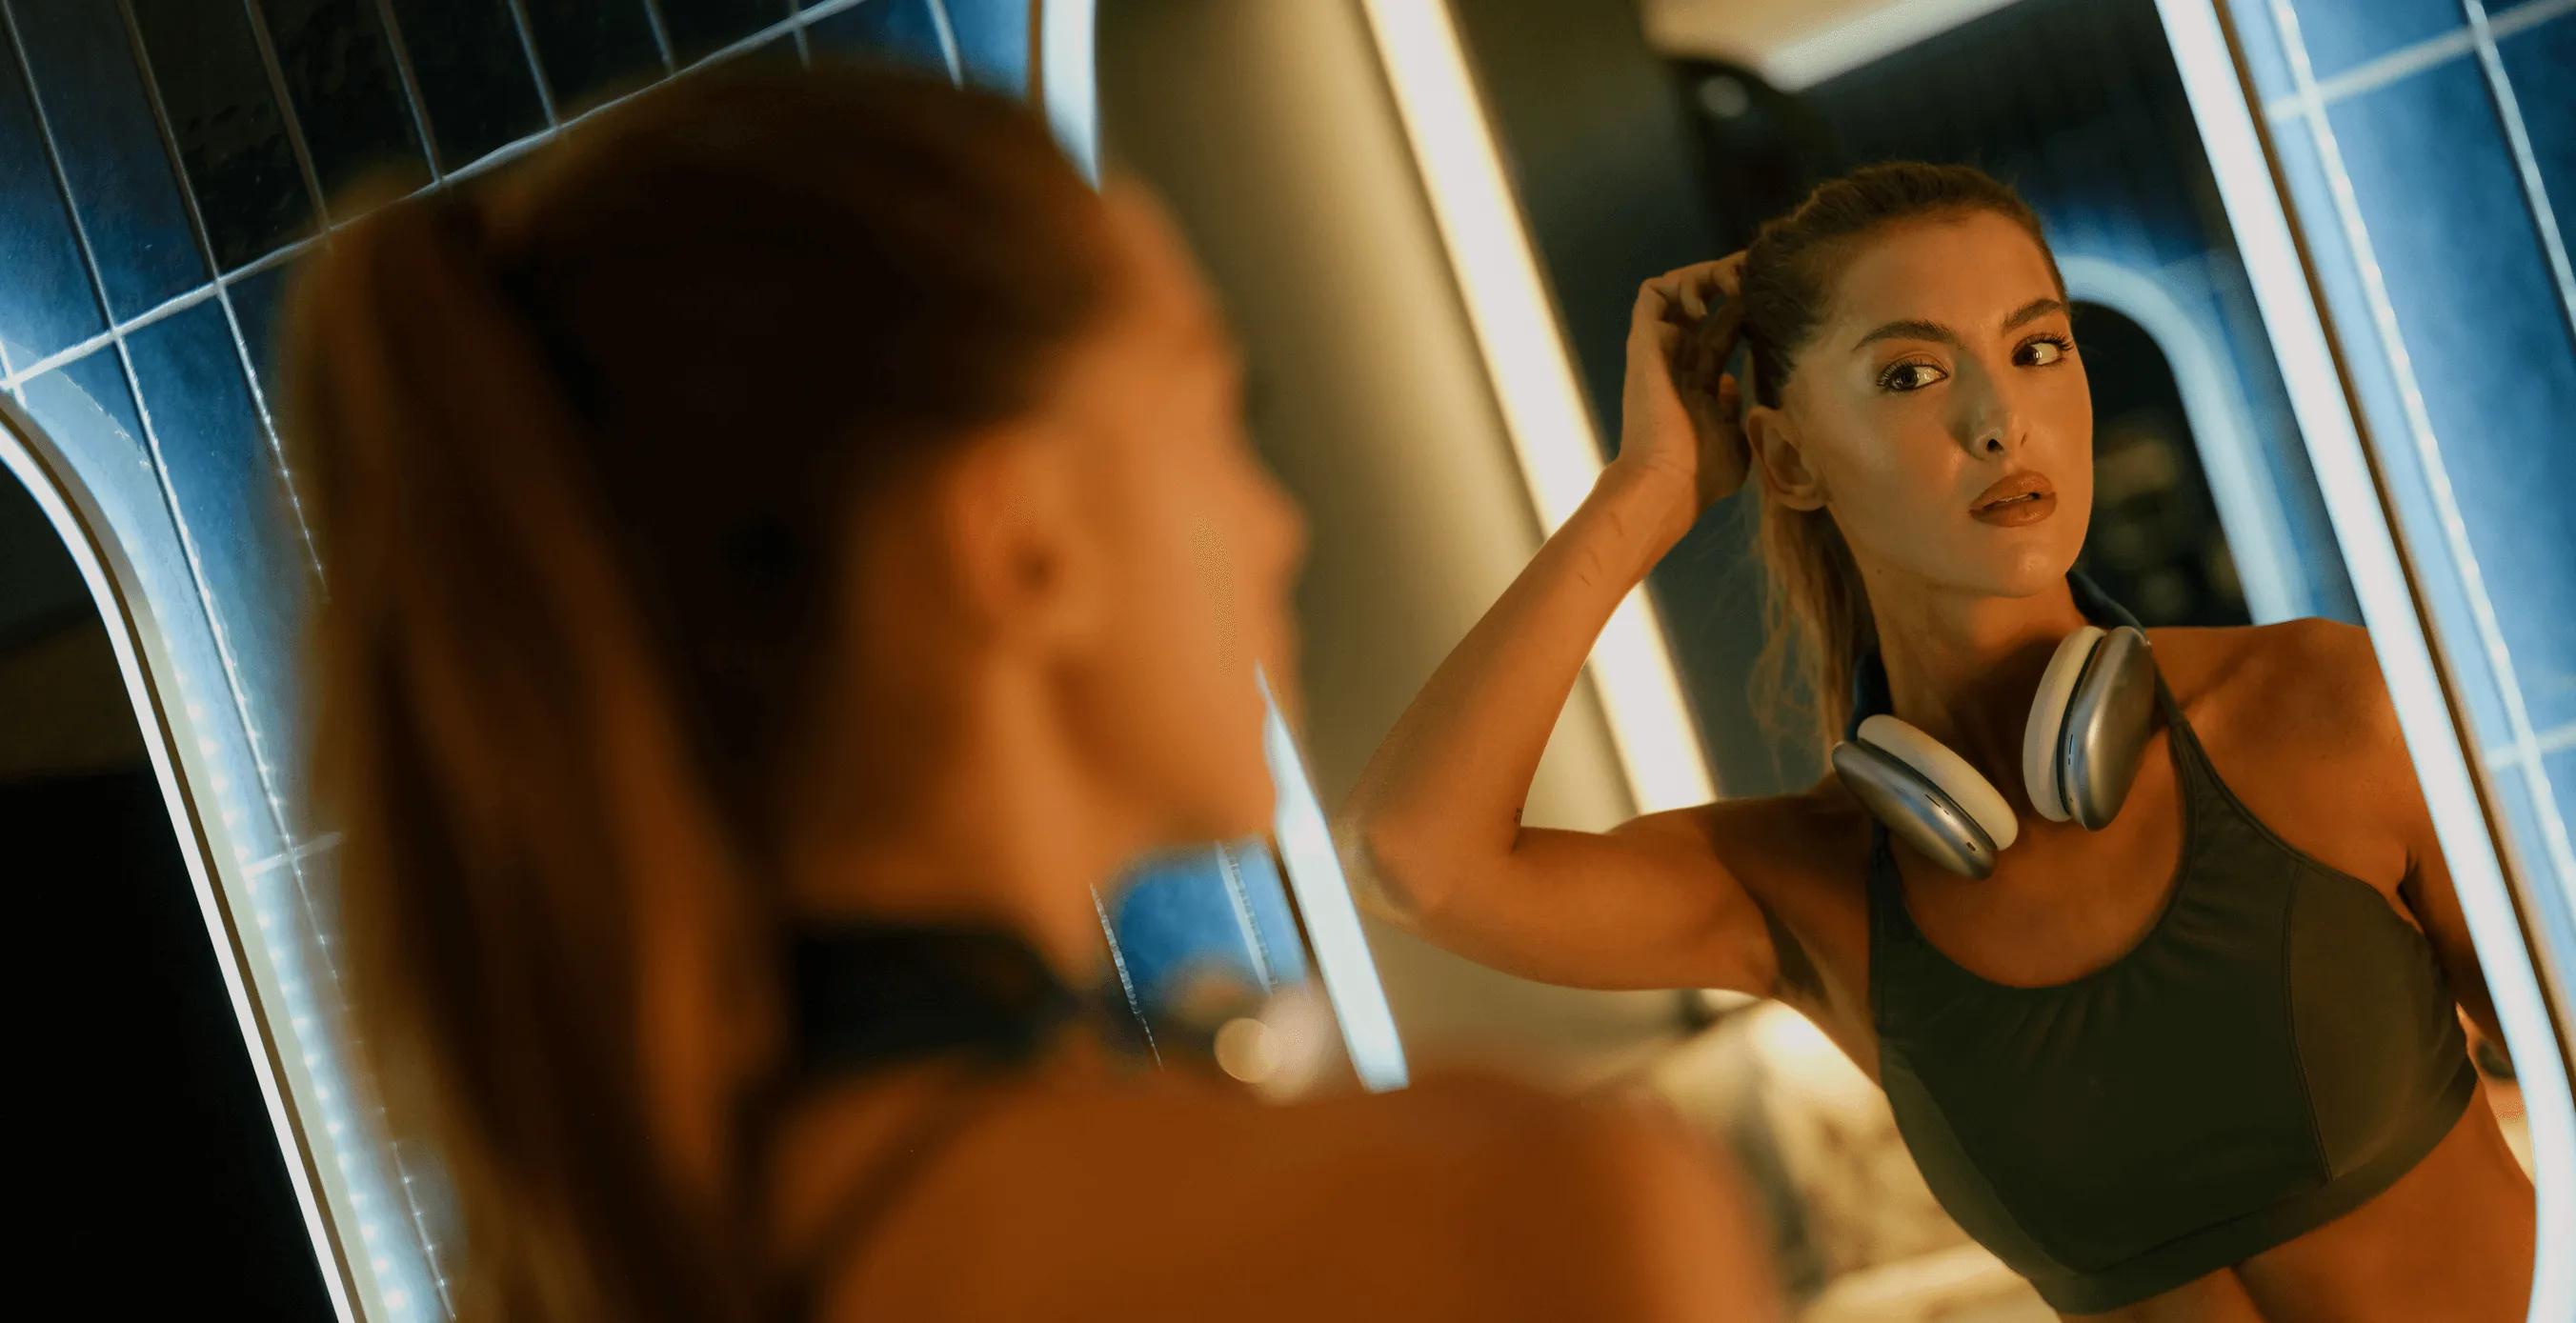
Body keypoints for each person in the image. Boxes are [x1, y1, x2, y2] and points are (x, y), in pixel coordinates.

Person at [282, 61, 1778, 1323]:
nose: (1280, 525)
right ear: (1023, 546)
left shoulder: (629, 1268)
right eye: (1221, 408)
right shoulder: (1514, 1223)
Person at [1340, 163, 2536, 1322]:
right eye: (1911, 373)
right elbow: (1414, 861)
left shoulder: (2319, 705)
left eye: (2037, 349)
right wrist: (1649, 487)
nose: (1999, 419)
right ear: (1788, 458)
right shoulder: (1803, 889)